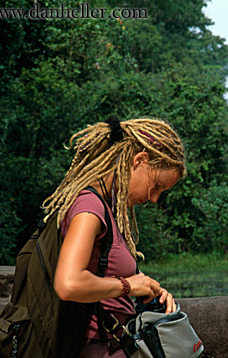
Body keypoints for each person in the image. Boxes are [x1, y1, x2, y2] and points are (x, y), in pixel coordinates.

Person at [42, 117, 186, 357]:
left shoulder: (108, 208)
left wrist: (148, 291)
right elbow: (69, 284)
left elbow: (105, 279)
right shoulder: (89, 207)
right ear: (139, 161)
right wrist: (128, 286)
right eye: (156, 186)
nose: (154, 199)